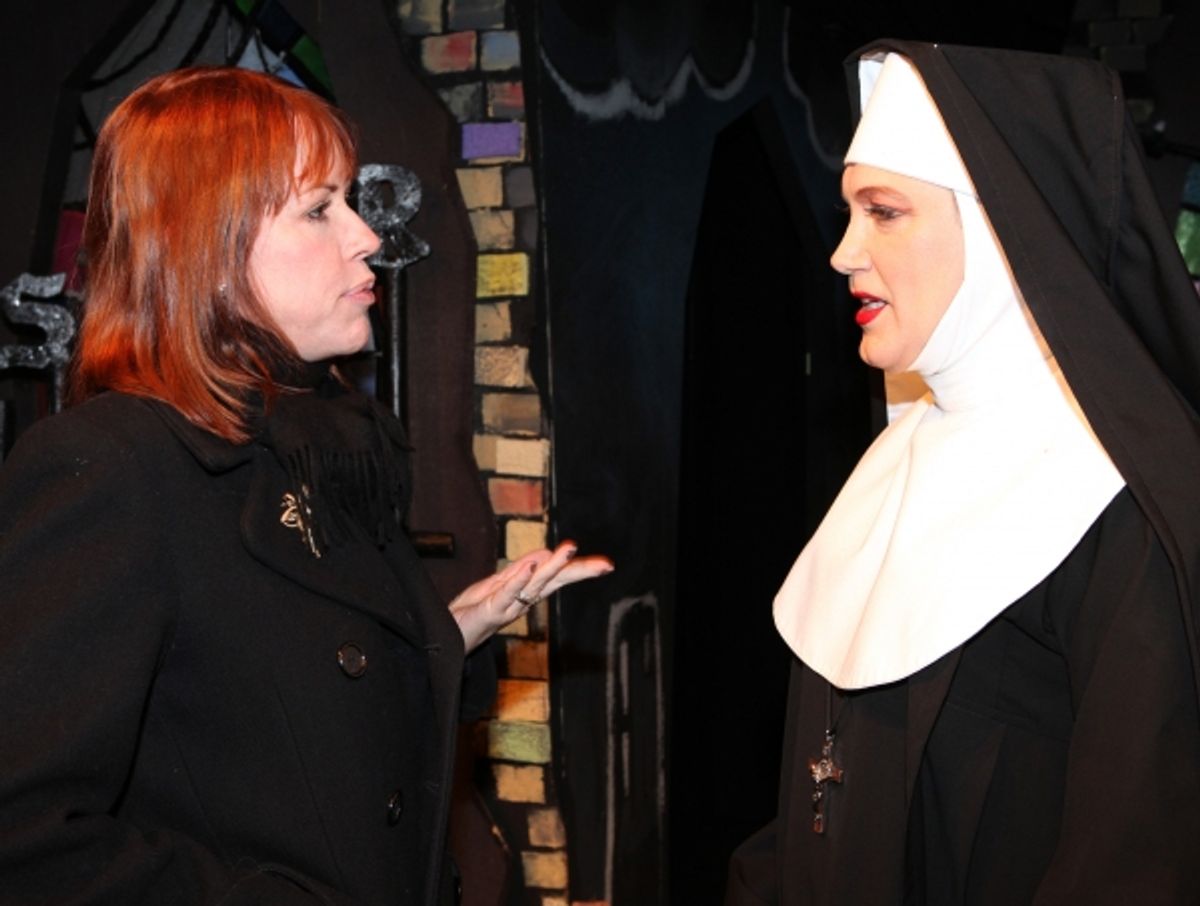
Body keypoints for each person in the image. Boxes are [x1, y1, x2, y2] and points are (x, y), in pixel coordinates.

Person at [0, 67, 611, 906]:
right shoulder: (111, 465)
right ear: (207, 244)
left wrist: (441, 636)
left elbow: (295, 733)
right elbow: (24, 839)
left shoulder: (322, 445)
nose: (365, 236)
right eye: (320, 209)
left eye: (349, 202)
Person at [726, 40, 1200, 905]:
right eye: (849, 212)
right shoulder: (893, 457)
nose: (843, 253)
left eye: (884, 212)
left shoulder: (1117, 508)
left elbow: (1134, 864)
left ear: (999, 233)